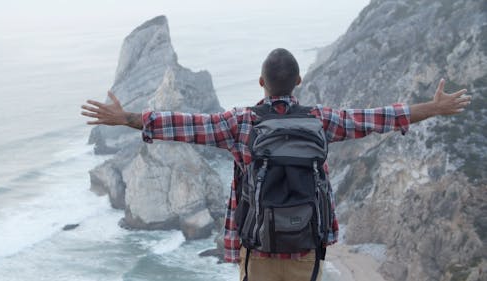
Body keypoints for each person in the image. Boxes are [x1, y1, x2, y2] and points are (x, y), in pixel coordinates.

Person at [81, 48, 471, 281]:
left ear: (260, 83)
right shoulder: (322, 120)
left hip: (257, 249)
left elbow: (182, 124)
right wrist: (433, 108)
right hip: (305, 247)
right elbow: (379, 117)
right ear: (298, 81)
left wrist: (127, 118)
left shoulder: (238, 124)